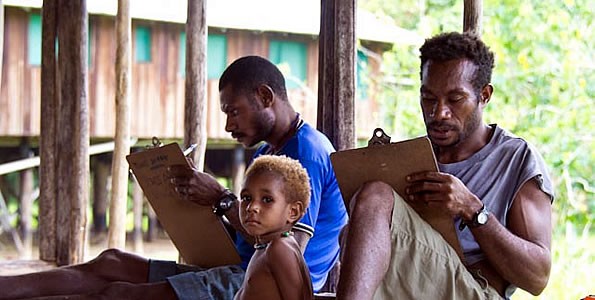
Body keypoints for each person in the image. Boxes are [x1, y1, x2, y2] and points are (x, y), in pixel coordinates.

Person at [0, 56, 347, 299]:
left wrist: (220, 199)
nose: (228, 126)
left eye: (234, 111)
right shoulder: (266, 155)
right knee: (111, 261)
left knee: (116, 293)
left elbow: (287, 248)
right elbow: (249, 233)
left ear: (265, 97)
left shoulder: (308, 151)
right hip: (233, 267)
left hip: (250, 282)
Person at [336, 32, 554, 300]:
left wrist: (473, 210)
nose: (438, 113)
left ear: (484, 96)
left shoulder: (516, 158)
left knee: (375, 197)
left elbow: (538, 278)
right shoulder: (412, 157)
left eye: (455, 99)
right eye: (429, 98)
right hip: (409, 287)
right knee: (359, 218)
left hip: (478, 292)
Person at [234, 155, 313, 300]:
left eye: (267, 200)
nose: (252, 207)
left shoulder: (279, 248)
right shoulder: (266, 246)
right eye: (246, 198)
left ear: (293, 212)